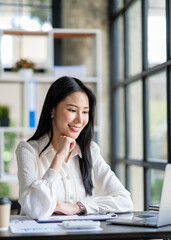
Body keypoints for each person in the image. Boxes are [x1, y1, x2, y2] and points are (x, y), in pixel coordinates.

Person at [16, 76, 133, 220]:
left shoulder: (90, 151)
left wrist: (78, 207)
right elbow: (35, 209)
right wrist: (59, 155)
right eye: (72, 110)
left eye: (85, 112)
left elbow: (125, 201)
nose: (80, 119)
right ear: (52, 109)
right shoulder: (28, 151)